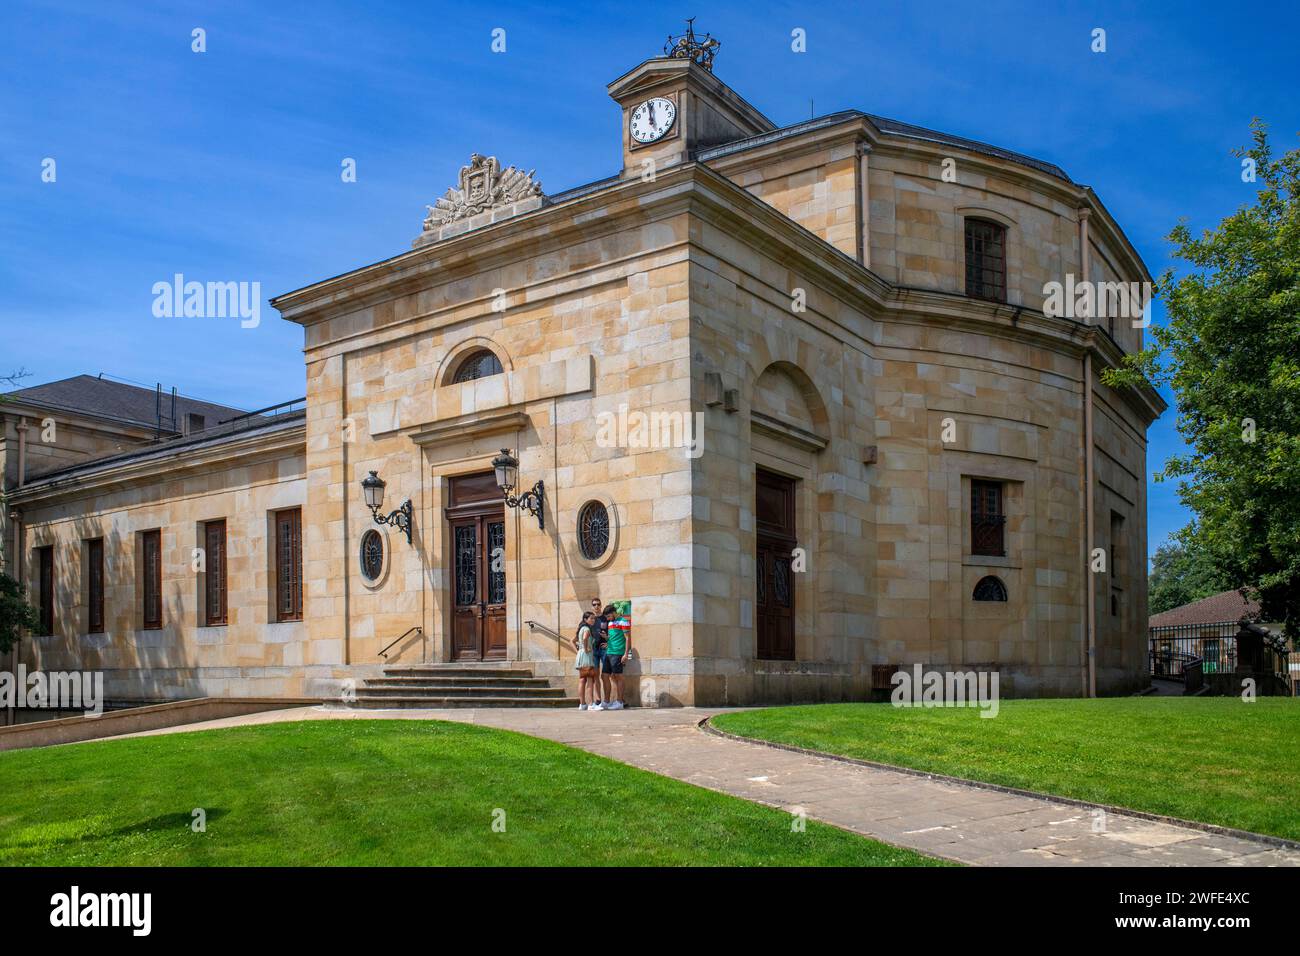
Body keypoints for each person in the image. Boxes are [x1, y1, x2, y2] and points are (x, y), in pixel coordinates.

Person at [600, 603, 631, 709]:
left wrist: (626, 654)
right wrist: (607, 639)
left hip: (618, 653)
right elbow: (614, 637)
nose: (608, 619)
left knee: (618, 676)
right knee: (604, 676)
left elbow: (627, 638)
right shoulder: (610, 623)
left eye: (608, 616)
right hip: (609, 652)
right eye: (607, 617)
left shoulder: (624, 621)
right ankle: (607, 701)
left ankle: (619, 702)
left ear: (613, 613)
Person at [572, 611, 598, 710]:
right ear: (585, 619)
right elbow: (585, 638)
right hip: (586, 656)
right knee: (590, 679)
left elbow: (574, 641)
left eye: (594, 618)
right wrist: (586, 649)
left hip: (581, 655)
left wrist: (580, 651)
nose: (593, 620)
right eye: (591, 618)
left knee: (582, 679)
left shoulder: (581, 628)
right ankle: (591, 704)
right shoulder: (587, 628)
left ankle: (582, 704)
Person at [588, 597, 608, 705]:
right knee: (595, 675)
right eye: (594, 604)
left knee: (605, 675)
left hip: (604, 649)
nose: (596, 606)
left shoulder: (605, 618)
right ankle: (598, 699)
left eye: (598, 604)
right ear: (592, 606)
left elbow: (613, 633)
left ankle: (607, 700)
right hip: (594, 650)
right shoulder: (590, 619)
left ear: (601, 605)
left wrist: (608, 642)